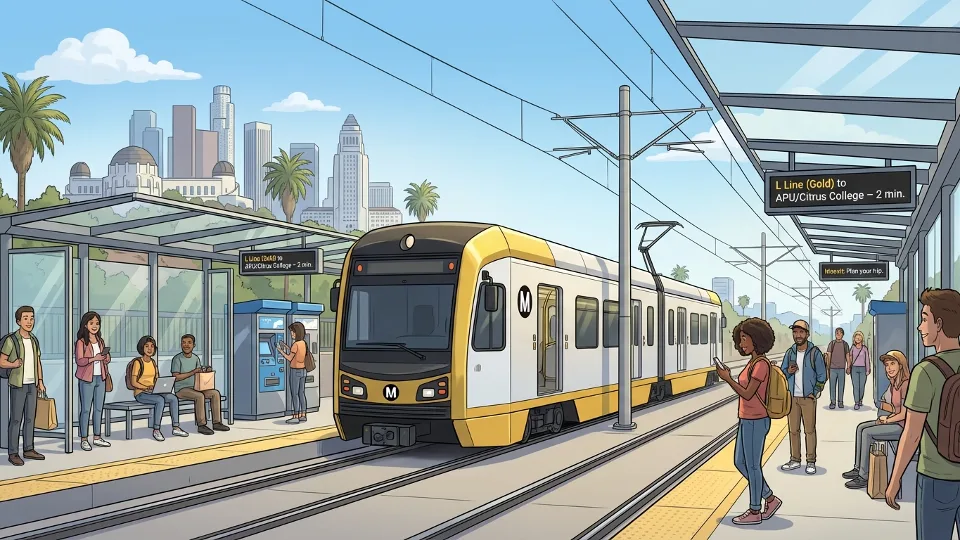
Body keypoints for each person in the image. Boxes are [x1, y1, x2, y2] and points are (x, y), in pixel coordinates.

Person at [887, 288, 960, 538]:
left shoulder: (925, 371)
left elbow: (912, 434)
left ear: (939, 324)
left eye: (924, 318)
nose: (920, 327)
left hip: (936, 478)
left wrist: (895, 479)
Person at [716, 317, 782, 525]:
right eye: (740, 339)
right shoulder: (752, 362)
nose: (741, 343)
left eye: (745, 339)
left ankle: (755, 510)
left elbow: (747, 393)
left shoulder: (761, 365)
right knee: (740, 462)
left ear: (756, 339)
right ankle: (770, 498)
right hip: (746, 419)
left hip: (756, 419)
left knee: (753, 466)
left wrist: (727, 378)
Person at [841, 350, 909, 489]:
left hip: (903, 427)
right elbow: (891, 406)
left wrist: (887, 420)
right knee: (861, 427)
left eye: (892, 363)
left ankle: (863, 476)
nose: (889, 368)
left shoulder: (905, 384)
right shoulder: (894, 383)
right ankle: (858, 467)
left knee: (868, 433)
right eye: (886, 365)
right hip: (894, 421)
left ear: (900, 365)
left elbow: (904, 414)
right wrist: (886, 416)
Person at [779, 320, 827, 475]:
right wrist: (789, 372)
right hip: (792, 398)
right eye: (795, 332)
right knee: (793, 430)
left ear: (807, 334)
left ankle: (811, 461)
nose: (797, 335)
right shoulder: (790, 352)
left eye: (801, 332)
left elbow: (822, 375)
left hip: (808, 398)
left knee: (809, 430)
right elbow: (782, 374)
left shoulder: (815, 353)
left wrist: (816, 391)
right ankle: (795, 459)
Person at [0, 306, 46, 466]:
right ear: (18, 321)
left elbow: (38, 362)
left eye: (31, 318)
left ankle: (28, 449)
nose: (29, 321)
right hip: (18, 384)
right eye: (25, 318)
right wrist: (13, 364)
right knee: (16, 419)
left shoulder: (33, 340)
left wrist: (40, 381)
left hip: (32, 384)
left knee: (30, 419)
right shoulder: (11, 340)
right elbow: (1, 361)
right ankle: (13, 453)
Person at [129, 336, 189, 442]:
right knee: (160, 400)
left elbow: (156, 379)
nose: (150, 349)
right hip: (141, 393)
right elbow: (134, 382)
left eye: (152, 346)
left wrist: (160, 386)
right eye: (147, 346)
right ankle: (156, 429)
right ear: (142, 348)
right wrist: (146, 387)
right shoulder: (138, 362)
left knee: (173, 398)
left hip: (154, 391)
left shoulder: (153, 362)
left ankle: (175, 427)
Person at [171, 334, 230, 435]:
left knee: (215, 393)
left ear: (194, 345)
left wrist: (205, 371)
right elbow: (176, 377)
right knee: (199, 396)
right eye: (184, 342)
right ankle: (201, 425)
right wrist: (193, 372)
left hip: (196, 387)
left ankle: (217, 422)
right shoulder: (177, 359)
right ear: (181, 344)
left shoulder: (195, 358)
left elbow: (198, 373)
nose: (186, 345)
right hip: (181, 389)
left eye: (189, 343)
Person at [75, 311, 112, 451]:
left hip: (100, 378)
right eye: (91, 323)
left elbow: (106, 359)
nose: (95, 326)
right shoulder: (81, 342)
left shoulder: (100, 341)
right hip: (86, 379)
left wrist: (106, 358)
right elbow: (79, 361)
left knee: (98, 408)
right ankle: (84, 438)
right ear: (85, 325)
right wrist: (94, 359)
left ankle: (97, 437)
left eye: (97, 323)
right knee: (85, 409)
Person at [278, 322, 308, 424]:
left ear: (297, 332)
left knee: (294, 394)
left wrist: (280, 351)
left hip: (295, 371)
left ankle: (295, 416)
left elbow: (290, 358)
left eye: (292, 332)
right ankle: (303, 415)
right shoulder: (303, 343)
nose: (291, 334)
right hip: (303, 371)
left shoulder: (295, 344)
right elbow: (296, 353)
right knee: (301, 393)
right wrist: (286, 346)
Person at [827, 327, 851, 409]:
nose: (838, 334)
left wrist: (848, 366)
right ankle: (833, 402)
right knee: (832, 386)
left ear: (842, 335)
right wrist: (828, 367)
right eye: (837, 332)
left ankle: (840, 402)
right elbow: (829, 355)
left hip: (841, 369)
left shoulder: (845, 344)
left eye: (840, 332)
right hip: (832, 368)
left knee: (841, 386)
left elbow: (847, 355)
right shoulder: (832, 344)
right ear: (835, 334)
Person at [848, 330, 871, 410]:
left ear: (862, 338)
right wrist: (848, 367)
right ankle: (856, 402)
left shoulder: (865, 349)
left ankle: (860, 399)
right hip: (854, 369)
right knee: (855, 386)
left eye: (859, 336)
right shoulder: (852, 348)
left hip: (863, 369)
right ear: (854, 339)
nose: (857, 338)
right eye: (856, 337)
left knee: (862, 386)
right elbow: (850, 359)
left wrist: (868, 369)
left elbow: (867, 359)